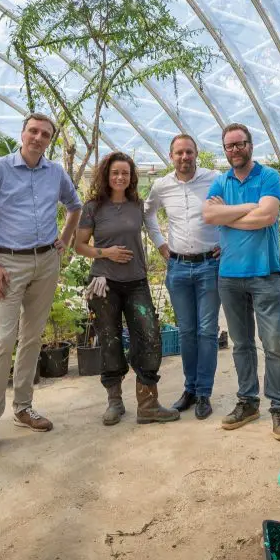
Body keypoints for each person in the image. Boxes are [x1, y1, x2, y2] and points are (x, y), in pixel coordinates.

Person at [0, 113, 83, 462]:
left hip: (46, 261)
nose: (38, 137)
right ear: (22, 133)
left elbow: (75, 206)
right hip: (7, 264)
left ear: (50, 140)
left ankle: (23, 407)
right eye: (33, 131)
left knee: (32, 337)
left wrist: (65, 239)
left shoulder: (55, 173)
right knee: (3, 341)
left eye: (45, 134)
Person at [74, 151, 180, 427]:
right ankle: (115, 402)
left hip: (136, 282)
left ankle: (148, 404)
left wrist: (167, 249)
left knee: (149, 336)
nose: (120, 177)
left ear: (132, 177)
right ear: (106, 175)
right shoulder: (93, 207)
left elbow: (154, 227)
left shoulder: (137, 205)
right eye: (115, 173)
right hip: (104, 284)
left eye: (125, 173)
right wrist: (106, 252)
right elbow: (79, 245)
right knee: (109, 340)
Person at [202, 123, 280, 442]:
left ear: (250, 145)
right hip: (229, 276)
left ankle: (279, 407)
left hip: (264, 274)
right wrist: (247, 209)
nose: (235, 150)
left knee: (273, 344)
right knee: (241, 344)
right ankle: (248, 402)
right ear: (225, 150)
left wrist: (228, 216)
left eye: (240, 144)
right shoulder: (220, 181)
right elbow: (209, 216)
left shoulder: (268, 176)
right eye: (229, 146)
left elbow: (267, 216)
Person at [143, 134, 222, 420]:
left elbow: (232, 209)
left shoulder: (214, 179)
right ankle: (190, 389)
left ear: (196, 153)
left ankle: (204, 393)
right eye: (179, 153)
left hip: (209, 266)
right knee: (187, 332)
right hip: (177, 267)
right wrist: (160, 244)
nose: (184, 157)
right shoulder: (161, 186)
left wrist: (225, 241)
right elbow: (147, 213)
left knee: (207, 331)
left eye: (189, 152)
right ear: (171, 156)